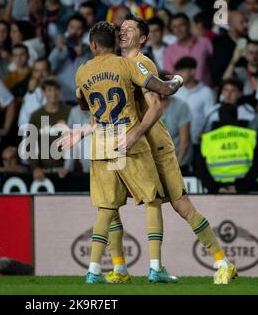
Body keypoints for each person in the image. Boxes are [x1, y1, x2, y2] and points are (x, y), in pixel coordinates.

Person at [61, 17, 236, 285]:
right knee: (112, 206)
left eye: (130, 29)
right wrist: (83, 131)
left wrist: (136, 134)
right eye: (121, 29)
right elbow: (106, 116)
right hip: (127, 144)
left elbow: (155, 107)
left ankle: (222, 261)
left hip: (153, 145)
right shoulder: (119, 66)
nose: (123, 32)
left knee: (182, 206)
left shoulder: (141, 63)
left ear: (142, 39)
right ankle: (119, 268)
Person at [72, 21, 183, 284]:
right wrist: (177, 80)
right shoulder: (127, 64)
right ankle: (155, 267)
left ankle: (93, 270)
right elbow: (164, 89)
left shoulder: (82, 71)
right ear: (114, 43)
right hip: (129, 141)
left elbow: (84, 106)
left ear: (93, 45)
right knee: (152, 200)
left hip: (100, 146)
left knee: (106, 209)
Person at [196, 102, 258, 194]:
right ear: (236, 116)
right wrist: (241, 187)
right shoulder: (249, 136)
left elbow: (201, 169)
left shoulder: (207, 139)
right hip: (246, 190)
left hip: (218, 191)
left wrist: (216, 188)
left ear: (219, 117)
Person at [28, 76, 71, 181]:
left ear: (60, 91)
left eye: (56, 89)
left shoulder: (69, 112)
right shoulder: (36, 116)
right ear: (43, 92)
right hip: (43, 171)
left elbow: (78, 142)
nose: (53, 93)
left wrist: (69, 167)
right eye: (49, 90)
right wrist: (35, 168)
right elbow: (31, 145)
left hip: (66, 171)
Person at [48, 14, 92, 103]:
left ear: (84, 31)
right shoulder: (59, 48)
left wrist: (81, 56)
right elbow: (50, 68)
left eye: (78, 28)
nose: (74, 31)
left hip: (79, 102)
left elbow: (89, 77)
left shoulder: (89, 52)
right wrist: (58, 49)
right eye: (72, 27)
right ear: (67, 28)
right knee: (44, 116)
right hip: (58, 99)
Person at [173, 57, 215, 148]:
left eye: (183, 70)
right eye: (179, 71)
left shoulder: (206, 92)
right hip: (179, 143)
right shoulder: (175, 92)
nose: (179, 74)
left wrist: (205, 133)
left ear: (193, 71)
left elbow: (210, 117)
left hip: (200, 143)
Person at [163, 13, 213, 86]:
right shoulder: (168, 51)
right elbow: (170, 78)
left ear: (189, 25)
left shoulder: (205, 42)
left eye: (181, 25)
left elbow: (215, 67)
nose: (178, 30)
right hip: (181, 95)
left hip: (205, 91)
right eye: (174, 27)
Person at [223, 40, 258, 105]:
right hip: (243, 107)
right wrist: (234, 60)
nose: (255, 56)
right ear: (245, 54)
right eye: (251, 53)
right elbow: (225, 80)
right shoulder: (239, 71)